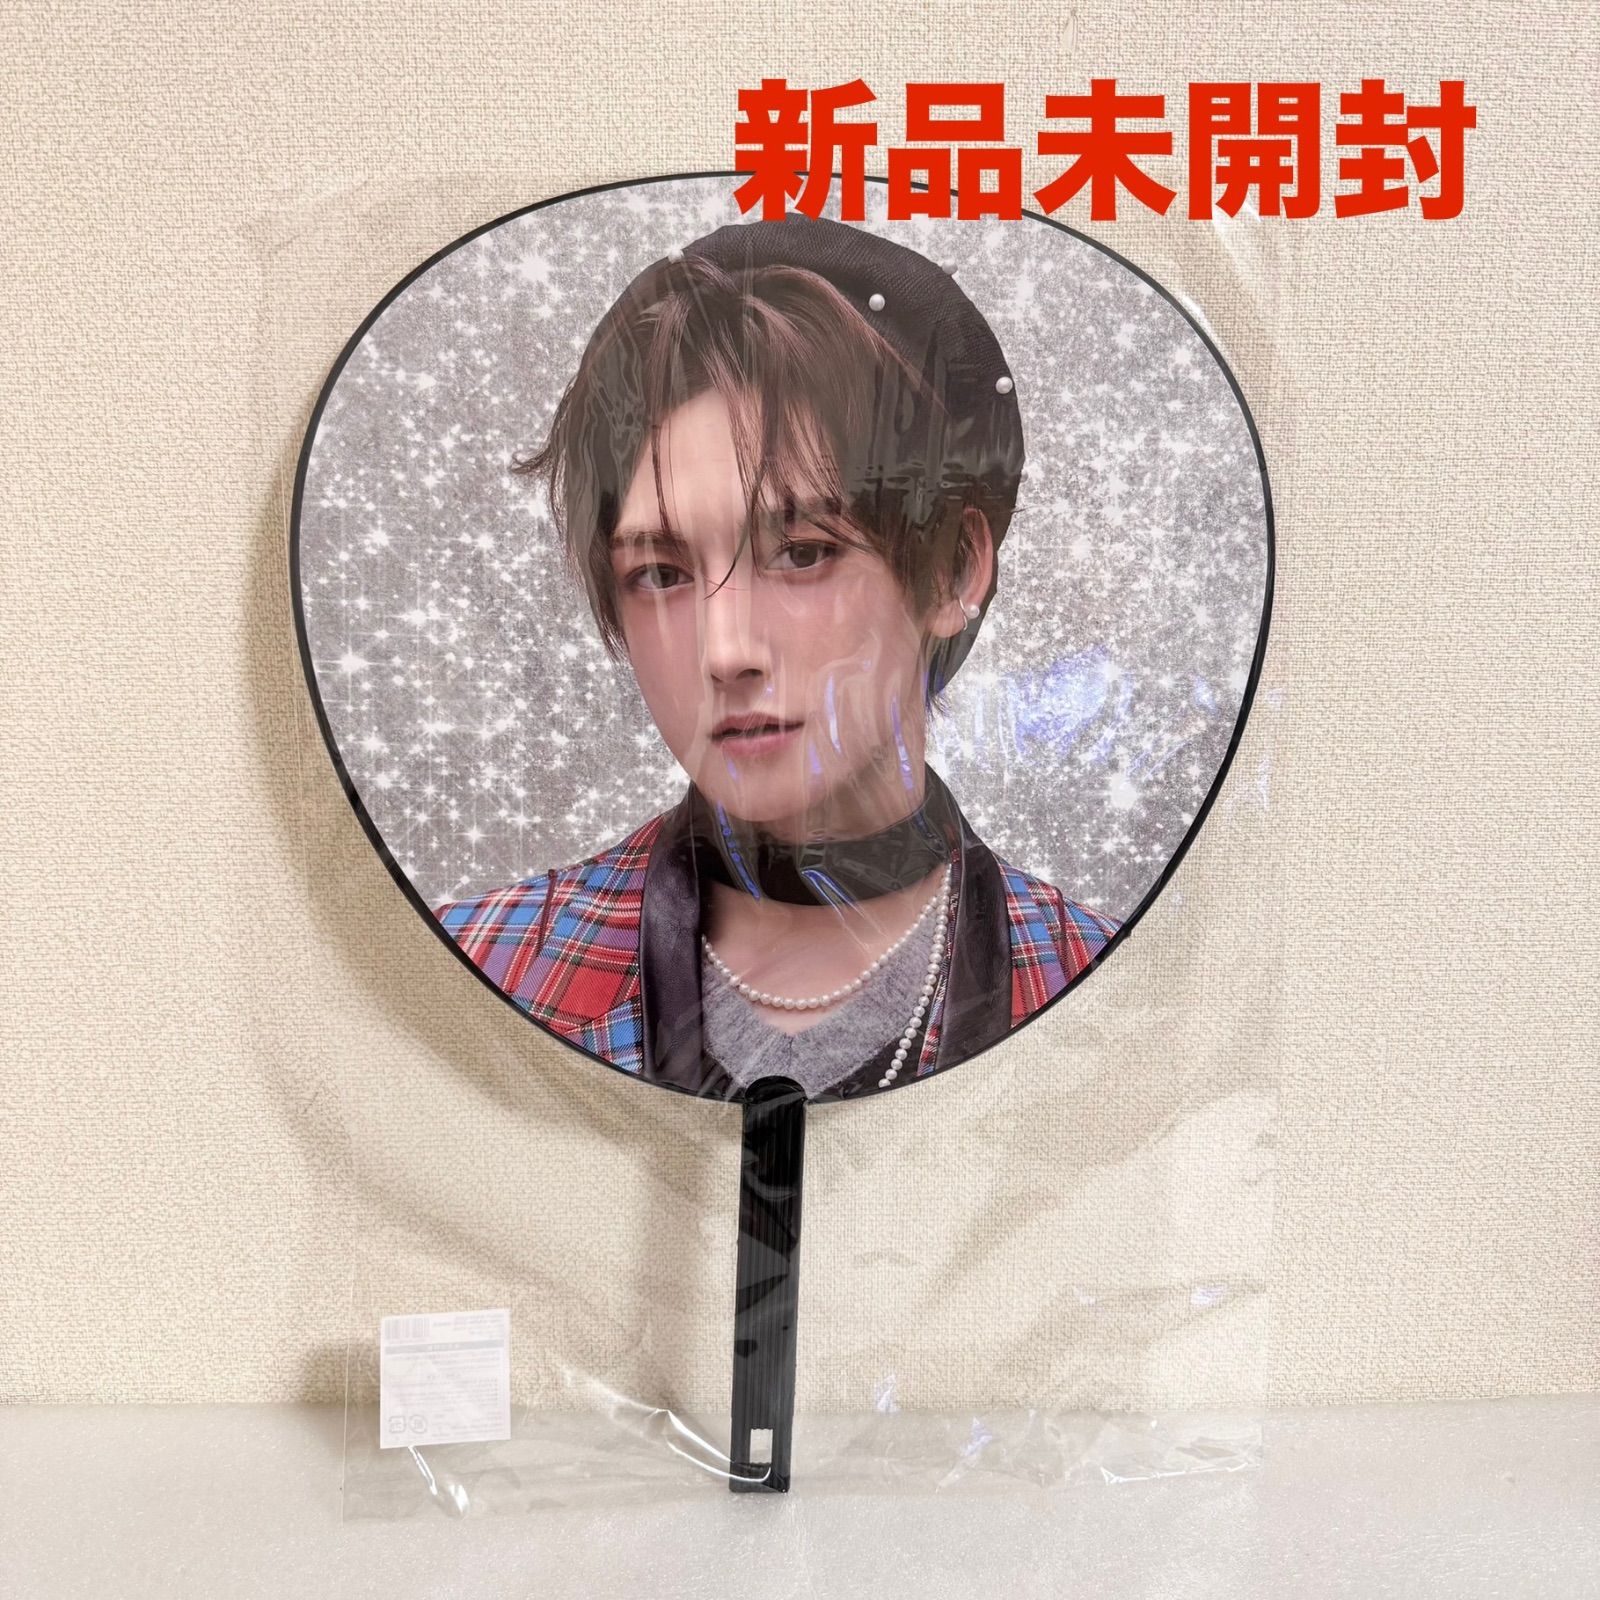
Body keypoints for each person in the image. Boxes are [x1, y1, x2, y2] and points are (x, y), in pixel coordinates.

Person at [433, 213, 1120, 1102]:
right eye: (660, 573)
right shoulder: (477, 970)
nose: (726, 651)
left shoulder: (1109, 1002)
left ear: (953, 568)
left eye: (801, 554)